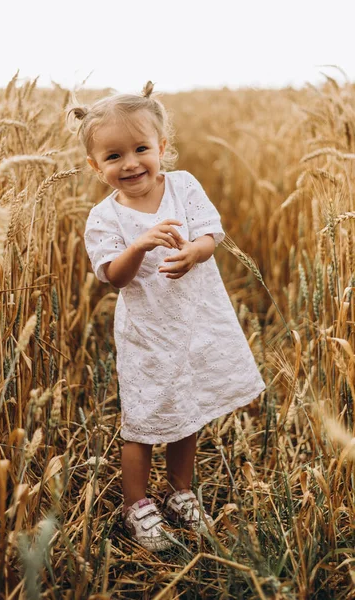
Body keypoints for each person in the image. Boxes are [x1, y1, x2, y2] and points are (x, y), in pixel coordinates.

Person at [68, 82, 265, 552]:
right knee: (144, 416)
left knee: (187, 406)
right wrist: (138, 246)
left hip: (195, 317)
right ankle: (137, 503)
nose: (131, 163)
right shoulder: (105, 218)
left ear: (163, 148)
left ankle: (180, 491)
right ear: (96, 167)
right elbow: (113, 275)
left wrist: (194, 255)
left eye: (141, 149)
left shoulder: (184, 186)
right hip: (148, 330)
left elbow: (210, 233)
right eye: (114, 156)